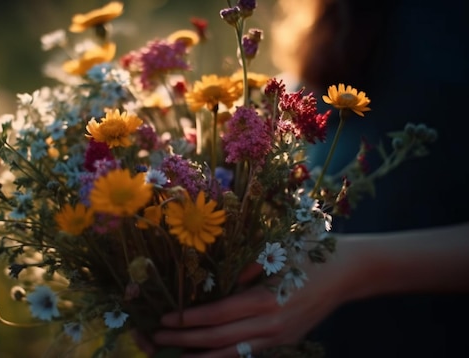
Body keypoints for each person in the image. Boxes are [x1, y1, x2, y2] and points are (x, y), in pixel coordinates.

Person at [145, 0, 469, 357]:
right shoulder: (346, 13)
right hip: (296, 326)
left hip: (429, 331)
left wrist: (354, 270)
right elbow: (304, 106)